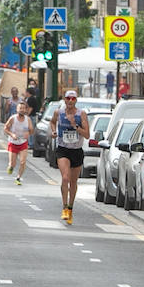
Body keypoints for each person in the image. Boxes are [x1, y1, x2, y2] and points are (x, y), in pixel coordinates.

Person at [49, 91, 89, 223]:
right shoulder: (58, 112)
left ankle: (71, 208)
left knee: (73, 182)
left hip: (76, 150)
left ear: (76, 100)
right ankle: (64, 207)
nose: (70, 101)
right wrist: (54, 131)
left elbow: (87, 134)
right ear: (64, 100)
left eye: (73, 98)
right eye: (68, 98)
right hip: (63, 149)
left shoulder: (81, 114)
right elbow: (52, 122)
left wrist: (75, 126)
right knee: (65, 177)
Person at [3, 103, 33, 186]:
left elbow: (31, 130)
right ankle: (11, 167)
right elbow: (5, 128)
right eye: (20, 108)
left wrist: (28, 132)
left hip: (23, 142)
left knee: (23, 162)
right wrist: (12, 134)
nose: (22, 110)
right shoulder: (13, 118)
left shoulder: (28, 119)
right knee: (13, 163)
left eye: (24, 108)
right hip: (13, 142)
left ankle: (18, 178)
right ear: (17, 109)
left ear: (26, 110)